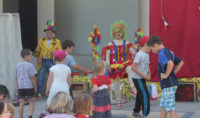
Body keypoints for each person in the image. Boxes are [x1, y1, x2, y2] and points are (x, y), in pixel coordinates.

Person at [147, 35, 184, 118]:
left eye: (151, 49)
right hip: (169, 85)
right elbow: (180, 62)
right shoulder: (168, 51)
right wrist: (172, 72)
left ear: (155, 45)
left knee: (170, 108)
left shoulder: (162, 53)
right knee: (163, 106)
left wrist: (167, 74)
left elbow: (170, 63)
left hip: (168, 85)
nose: (152, 51)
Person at [105, 20, 135, 107]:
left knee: (130, 69)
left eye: (119, 32)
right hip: (115, 66)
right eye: (116, 32)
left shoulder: (127, 43)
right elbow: (107, 56)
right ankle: (118, 100)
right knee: (116, 82)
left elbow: (133, 52)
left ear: (123, 33)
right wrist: (108, 65)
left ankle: (132, 88)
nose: (118, 33)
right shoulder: (110, 43)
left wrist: (139, 50)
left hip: (125, 64)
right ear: (113, 33)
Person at [34, 20, 62, 97]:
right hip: (43, 61)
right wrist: (38, 57)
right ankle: (39, 94)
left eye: (50, 32)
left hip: (51, 61)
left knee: (53, 78)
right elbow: (37, 50)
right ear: (45, 33)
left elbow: (60, 52)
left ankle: (52, 93)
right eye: (47, 32)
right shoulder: (41, 41)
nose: (48, 33)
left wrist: (55, 53)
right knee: (40, 78)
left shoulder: (57, 41)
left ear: (53, 33)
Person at [131, 36, 151, 118]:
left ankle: (136, 111)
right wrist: (144, 76)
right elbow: (133, 67)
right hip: (138, 78)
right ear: (146, 44)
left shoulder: (146, 54)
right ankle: (145, 113)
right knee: (145, 95)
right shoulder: (139, 55)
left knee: (140, 94)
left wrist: (149, 74)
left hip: (142, 77)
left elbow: (147, 65)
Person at [14, 48, 37, 118]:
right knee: (31, 102)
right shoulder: (30, 65)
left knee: (21, 102)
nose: (31, 57)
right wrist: (35, 86)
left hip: (21, 86)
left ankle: (20, 117)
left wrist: (17, 86)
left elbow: (16, 77)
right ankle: (30, 116)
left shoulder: (17, 65)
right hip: (29, 86)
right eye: (31, 55)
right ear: (26, 56)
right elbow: (33, 77)